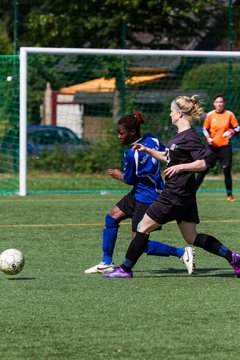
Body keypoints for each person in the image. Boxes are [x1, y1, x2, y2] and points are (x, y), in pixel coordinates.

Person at [103, 95, 240, 279]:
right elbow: (169, 158)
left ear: (180, 113)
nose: (169, 114)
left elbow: (204, 162)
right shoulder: (179, 137)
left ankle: (125, 269)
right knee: (191, 238)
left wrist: (182, 167)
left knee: (142, 228)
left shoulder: (189, 137)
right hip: (185, 196)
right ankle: (233, 257)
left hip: (174, 194)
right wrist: (147, 150)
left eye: (171, 111)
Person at [85, 112, 195, 275]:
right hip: (141, 192)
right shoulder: (152, 139)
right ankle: (106, 262)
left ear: (132, 132)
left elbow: (129, 179)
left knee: (139, 243)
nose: (118, 137)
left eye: (121, 133)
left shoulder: (132, 155)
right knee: (112, 217)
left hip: (147, 198)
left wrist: (118, 175)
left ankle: (181, 252)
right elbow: (168, 156)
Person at [195, 94, 240, 202]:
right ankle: (192, 192)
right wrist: (208, 138)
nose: (219, 104)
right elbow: (205, 129)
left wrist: (231, 131)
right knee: (203, 169)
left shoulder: (229, 114)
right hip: (212, 147)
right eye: (217, 102)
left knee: (226, 170)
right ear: (214, 104)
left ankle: (229, 195)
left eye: (221, 102)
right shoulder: (210, 115)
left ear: (224, 103)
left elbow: (237, 127)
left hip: (225, 147)